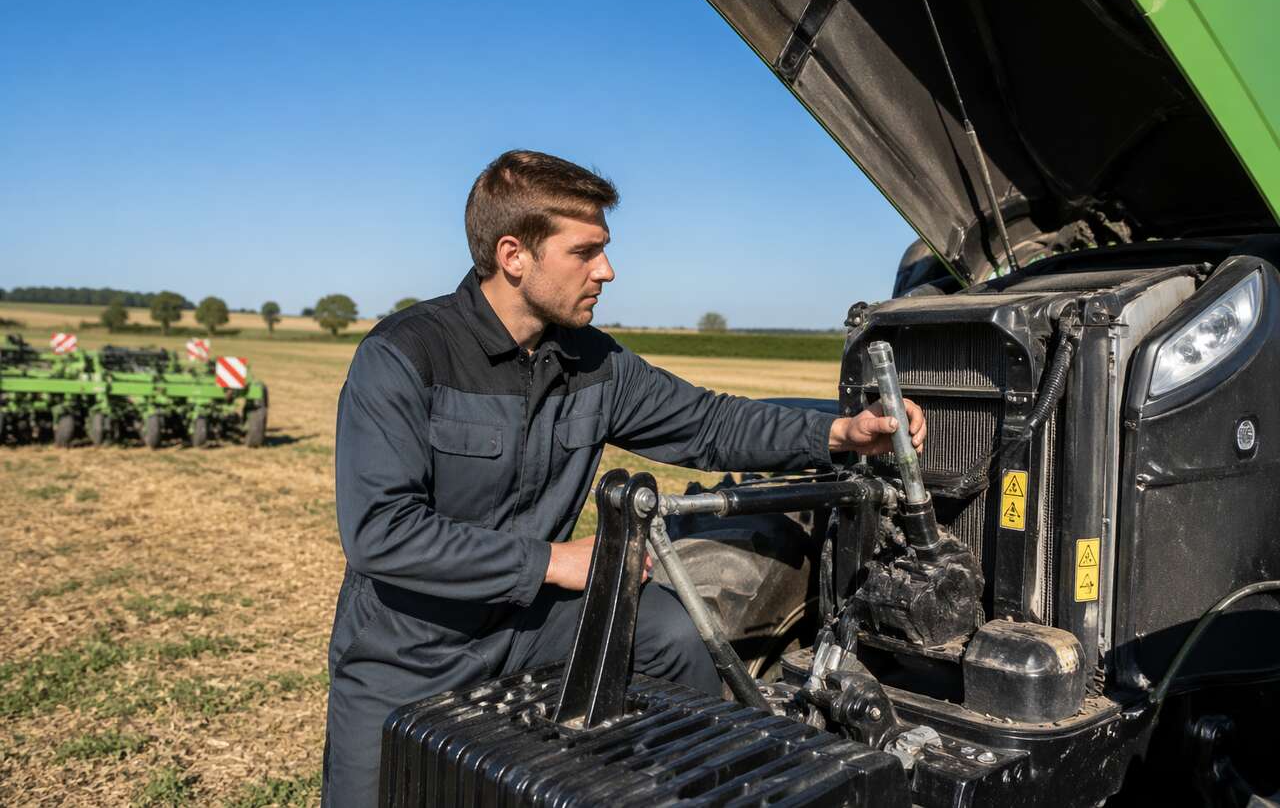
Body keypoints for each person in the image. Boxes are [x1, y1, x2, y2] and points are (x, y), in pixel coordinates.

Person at [322, 150, 926, 806]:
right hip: (410, 648)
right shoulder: (403, 355)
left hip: (529, 626)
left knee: (668, 631)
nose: (606, 270)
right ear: (513, 255)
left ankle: (678, 788)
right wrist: (553, 560)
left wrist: (836, 433)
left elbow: (708, 422)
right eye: (585, 251)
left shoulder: (594, 362)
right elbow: (382, 533)